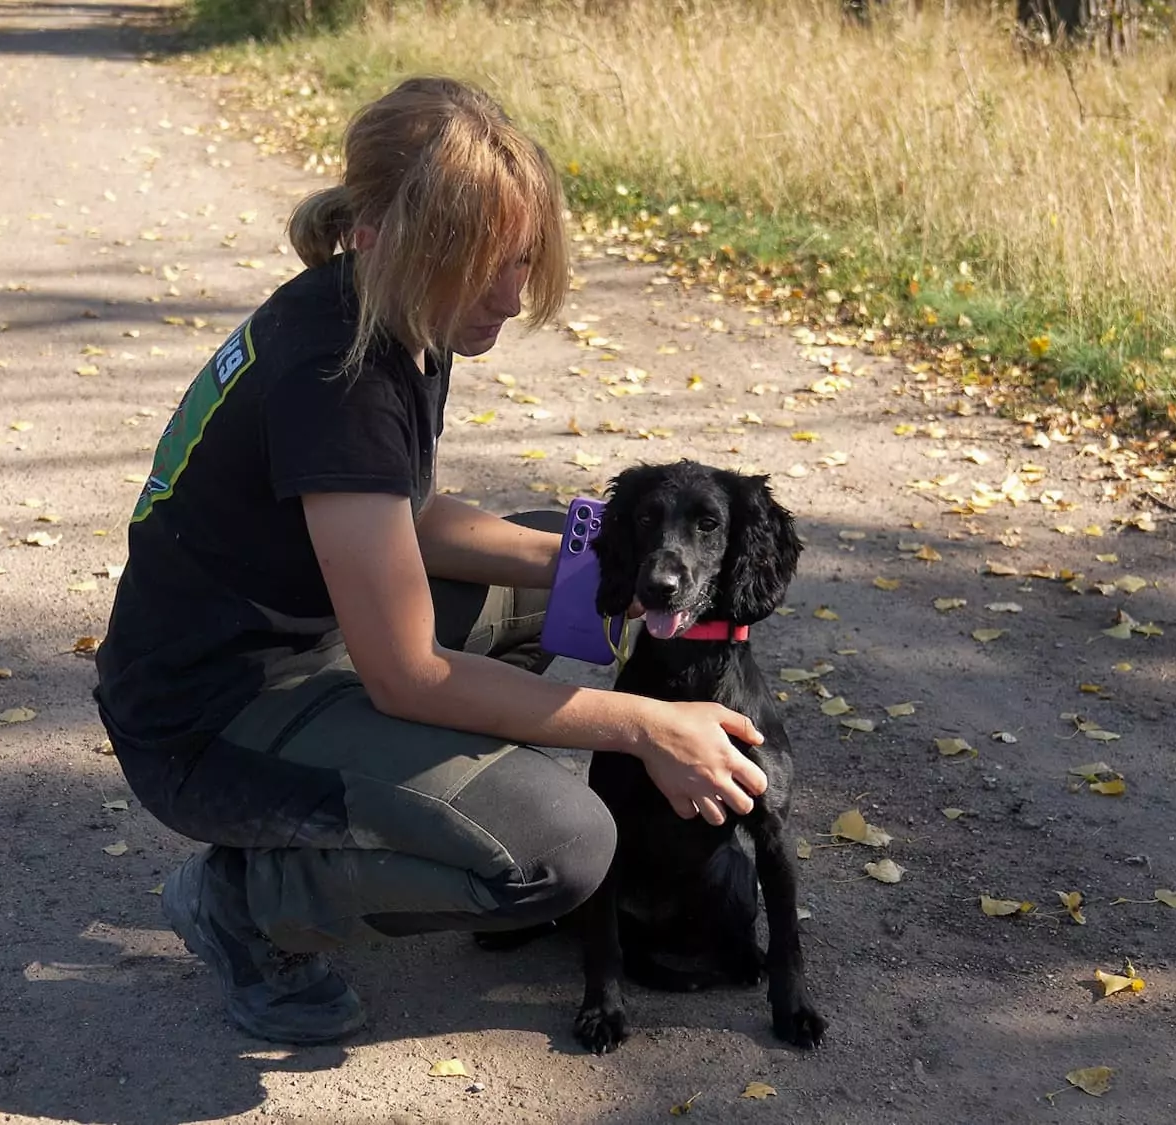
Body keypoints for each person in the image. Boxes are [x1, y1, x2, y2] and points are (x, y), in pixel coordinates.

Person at [92, 76, 769, 1046]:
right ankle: (246, 904)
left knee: (586, 566)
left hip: (312, 630)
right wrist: (643, 727)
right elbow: (406, 673)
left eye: (523, 259)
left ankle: (451, 795)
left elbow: (399, 515)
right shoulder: (341, 373)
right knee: (562, 846)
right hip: (206, 721)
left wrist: (585, 570)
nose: (511, 295)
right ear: (393, 238)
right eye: (481, 266)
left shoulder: (399, 312)